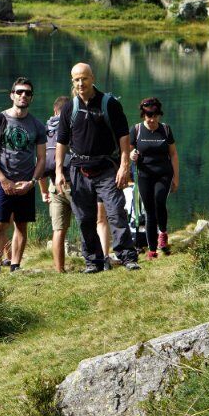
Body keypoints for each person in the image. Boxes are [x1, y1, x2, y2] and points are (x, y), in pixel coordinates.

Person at [55, 63, 140, 272]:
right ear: (72, 81)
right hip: (78, 170)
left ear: (92, 78)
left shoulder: (109, 104)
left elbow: (123, 136)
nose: (80, 83)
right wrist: (58, 171)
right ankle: (93, 261)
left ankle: (127, 257)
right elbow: (61, 142)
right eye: (76, 79)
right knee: (84, 218)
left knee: (115, 213)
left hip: (106, 168)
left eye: (84, 78)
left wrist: (124, 166)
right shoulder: (69, 108)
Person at [0, 79, 46, 273]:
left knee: (21, 225)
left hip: (26, 183)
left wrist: (32, 182)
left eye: (27, 93)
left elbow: (42, 158)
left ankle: (16, 265)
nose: (23, 96)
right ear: (12, 95)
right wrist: (3, 180)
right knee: (0, 224)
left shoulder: (37, 124)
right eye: (19, 92)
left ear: (31, 98)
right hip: (3, 181)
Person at [130, 96, 179, 258]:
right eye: (148, 116)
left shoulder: (165, 129)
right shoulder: (136, 130)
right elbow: (128, 152)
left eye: (154, 116)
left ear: (159, 115)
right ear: (143, 115)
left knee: (159, 200)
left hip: (164, 173)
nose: (151, 119)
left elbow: (173, 154)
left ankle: (163, 233)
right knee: (149, 211)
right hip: (144, 175)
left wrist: (176, 178)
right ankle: (152, 250)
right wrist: (132, 155)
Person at [40, 96, 72, 274]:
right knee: (86, 223)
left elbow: (41, 163)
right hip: (73, 183)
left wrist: (44, 191)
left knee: (58, 230)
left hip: (53, 185)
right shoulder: (73, 125)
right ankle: (93, 262)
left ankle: (59, 269)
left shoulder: (46, 130)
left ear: (55, 110)